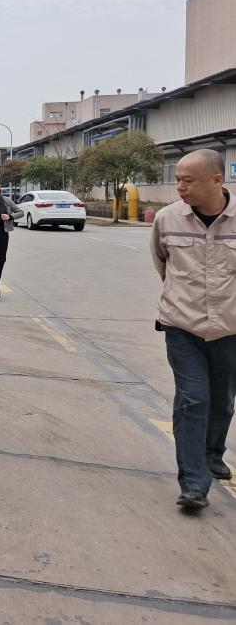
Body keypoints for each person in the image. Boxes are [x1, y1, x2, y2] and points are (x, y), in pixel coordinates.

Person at [150, 148, 236, 512]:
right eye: (178, 179)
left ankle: (212, 453)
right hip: (182, 325)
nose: (180, 187)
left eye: (188, 180)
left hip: (230, 328)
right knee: (193, 398)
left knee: (223, 399)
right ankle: (194, 483)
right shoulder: (167, 219)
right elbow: (162, 264)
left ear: (217, 180)